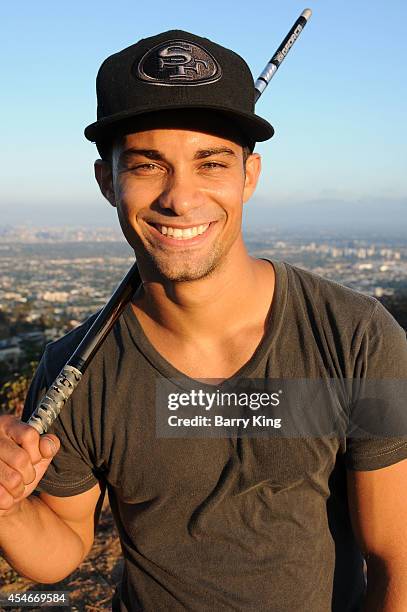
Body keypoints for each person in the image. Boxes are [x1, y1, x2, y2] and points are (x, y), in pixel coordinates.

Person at [0, 30, 406, 612]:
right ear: (107, 182)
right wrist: (9, 510)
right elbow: (63, 548)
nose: (180, 198)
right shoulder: (76, 367)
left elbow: (398, 559)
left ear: (249, 175)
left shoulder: (356, 339)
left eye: (210, 162)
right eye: (148, 165)